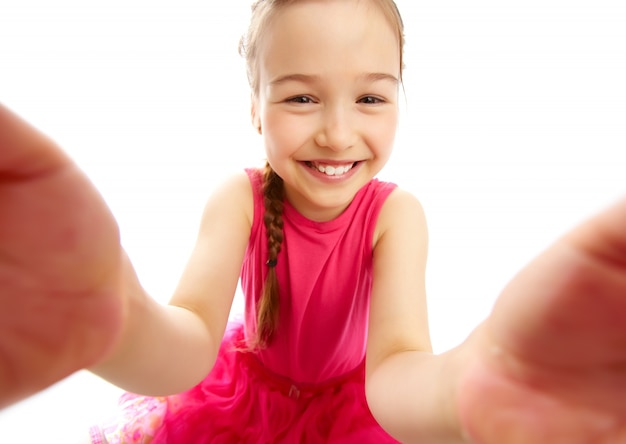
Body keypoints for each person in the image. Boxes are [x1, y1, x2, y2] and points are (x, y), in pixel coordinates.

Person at [0, 0, 625, 443]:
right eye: (302, 96)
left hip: (346, 418)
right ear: (255, 109)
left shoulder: (395, 216)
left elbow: (397, 372)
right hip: (239, 405)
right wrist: (115, 323)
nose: (336, 131)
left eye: (371, 98)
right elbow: (186, 341)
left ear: (401, 99)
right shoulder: (239, 199)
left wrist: (469, 386)